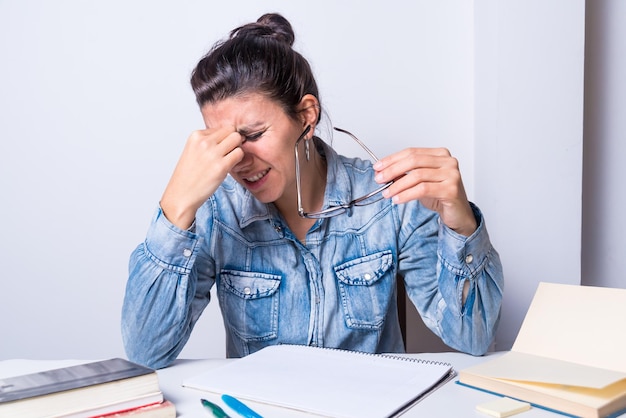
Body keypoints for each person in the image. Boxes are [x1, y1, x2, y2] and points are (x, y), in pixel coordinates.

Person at [121, 13, 503, 369]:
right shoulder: (216, 213)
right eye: (223, 143)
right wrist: (176, 207)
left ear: (306, 116)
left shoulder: (389, 199)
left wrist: (461, 223)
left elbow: (473, 337)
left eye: (253, 135)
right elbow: (146, 353)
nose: (238, 159)